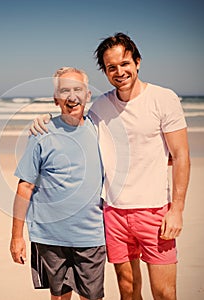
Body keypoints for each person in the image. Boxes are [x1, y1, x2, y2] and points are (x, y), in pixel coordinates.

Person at [30, 33, 190, 300]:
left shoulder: (164, 99)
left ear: (137, 62)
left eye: (125, 63)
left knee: (164, 292)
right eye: (111, 67)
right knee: (127, 290)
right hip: (113, 213)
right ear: (105, 72)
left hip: (155, 211)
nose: (119, 71)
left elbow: (181, 156)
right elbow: (73, 119)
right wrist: (46, 119)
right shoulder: (100, 107)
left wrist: (177, 210)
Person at [10, 67, 106, 300]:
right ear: (56, 99)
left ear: (87, 95)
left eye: (78, 89)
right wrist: (16, 237)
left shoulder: (102, 129)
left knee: (92, 297)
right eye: (64, 91)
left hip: (91, 235)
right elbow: (25, 186)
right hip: (49, 235)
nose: (72, 97)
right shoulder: (41, 132)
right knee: (59, 296)